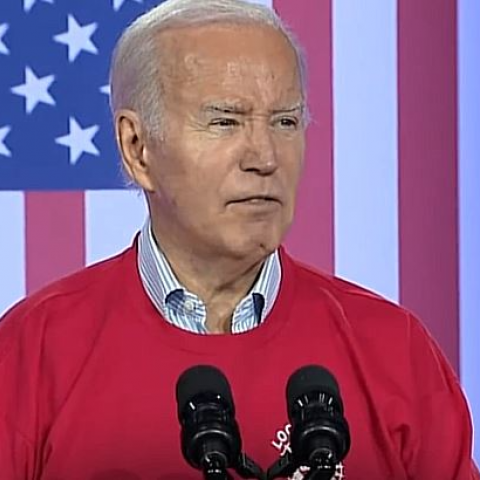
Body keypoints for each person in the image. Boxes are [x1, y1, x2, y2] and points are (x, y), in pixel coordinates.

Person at [0, 0, 478, 479]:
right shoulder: (31, 354)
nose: (266, 157)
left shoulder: (396, 352)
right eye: (226, 121)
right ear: (137, 148)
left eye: (285, 121)